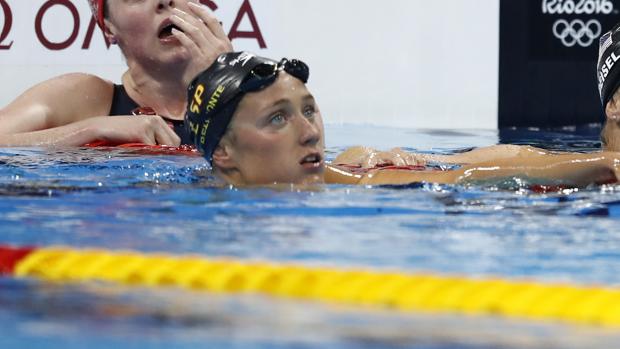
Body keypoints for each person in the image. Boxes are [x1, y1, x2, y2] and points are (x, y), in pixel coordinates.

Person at [185, 52, 620, 187]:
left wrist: (604, 165)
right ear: (222, 151)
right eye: (278, 119)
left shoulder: (352, 174)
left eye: (310, 110)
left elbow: (471, 169)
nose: (310, 132)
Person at [0, 0, 232, 147]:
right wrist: (91, 130)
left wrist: (231, 85)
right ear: (109, 28)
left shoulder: (252, 89)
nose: (163, 1)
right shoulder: (86, 99)